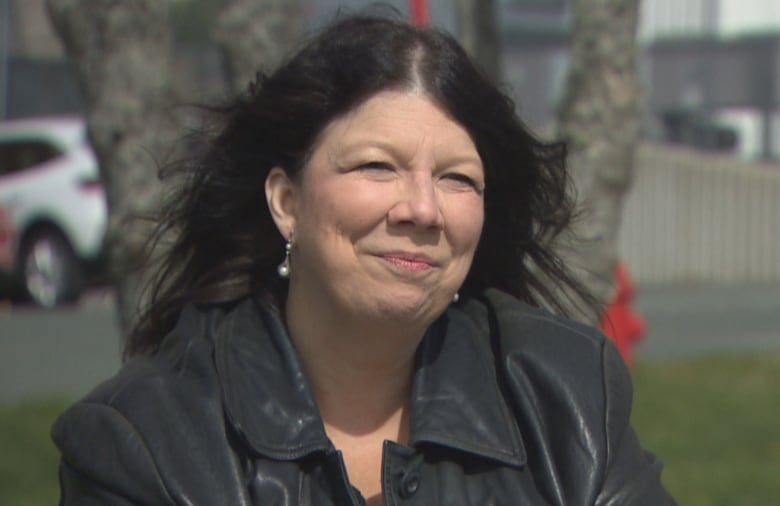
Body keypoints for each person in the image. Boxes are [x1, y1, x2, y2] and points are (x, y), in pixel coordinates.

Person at [52, 13, 675, 506]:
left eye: (457, 178)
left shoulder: (565, 398)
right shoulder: (146, 440)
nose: (422, 210)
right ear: (287, 200)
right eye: (378, 166)